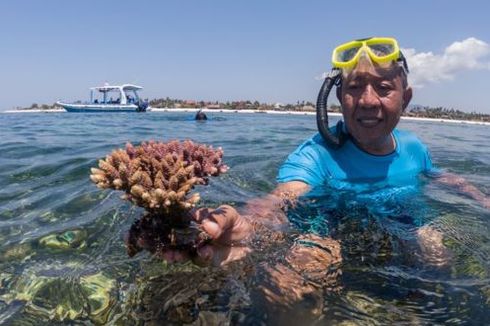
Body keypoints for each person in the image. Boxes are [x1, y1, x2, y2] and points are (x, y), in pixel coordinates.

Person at [162, 37, 490, 291]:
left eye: (384, 88)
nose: (367, 100)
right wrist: (248, 225)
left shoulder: (415, 147)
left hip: (400, 217)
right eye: (354, 88)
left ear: (405, 98)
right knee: (295, 279)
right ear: (339, 97)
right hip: (325, 222)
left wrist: (482, 199)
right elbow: (282, 197)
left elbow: (440, 176)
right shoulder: (314, 155)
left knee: (437, 258)